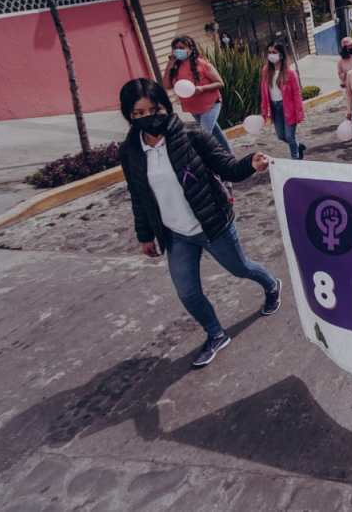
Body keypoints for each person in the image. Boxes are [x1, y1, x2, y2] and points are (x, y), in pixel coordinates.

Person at [118, 78, 280, 368]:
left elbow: (226, 166)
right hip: (175, 234)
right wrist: (145, 235)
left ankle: (271, 285)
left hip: (211, 224)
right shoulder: (130, 150)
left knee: (241, 268)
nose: (147, 118)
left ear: (165, 107)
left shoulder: (191, 135)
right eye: (138, 114)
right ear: (129, 115)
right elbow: (138, 195)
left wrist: (250, 164)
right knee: (187, 292)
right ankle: (216, 334)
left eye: (152, 110)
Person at [162, 36, 232, 153]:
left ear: (190, 49)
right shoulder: (175, 67)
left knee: (203, 135)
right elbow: (167, 86)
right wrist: (170, 64)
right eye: (175, 48)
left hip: (211, 104)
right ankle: (231, 157)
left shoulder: (202, 64)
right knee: (215, 132)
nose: (178, 50)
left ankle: (213, 163)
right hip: (194, 108)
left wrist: (202, 88)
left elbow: (220, 83)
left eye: (181, 47)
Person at [259, 43, 305, 159]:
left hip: (288, 108)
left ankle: (296, 159)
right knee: (281, 136)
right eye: (269, 52)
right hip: (275, 108)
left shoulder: (290, 73)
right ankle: (297, 146)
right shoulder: (265, 71)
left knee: (290, 136)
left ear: (281, 55)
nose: (271, 55)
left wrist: (299, 113)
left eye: (274, 52)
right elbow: (264, 92)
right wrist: (264, 110)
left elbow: (297, 94)